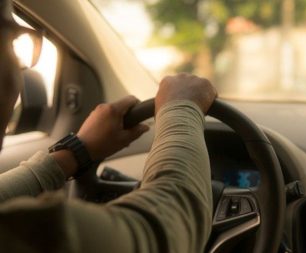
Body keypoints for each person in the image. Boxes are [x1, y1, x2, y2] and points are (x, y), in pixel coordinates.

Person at [0, 1, 217, 252]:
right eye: (12, 39)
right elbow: (161, 230)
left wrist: (76, 152)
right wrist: (181, 109)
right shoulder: (30, 234)